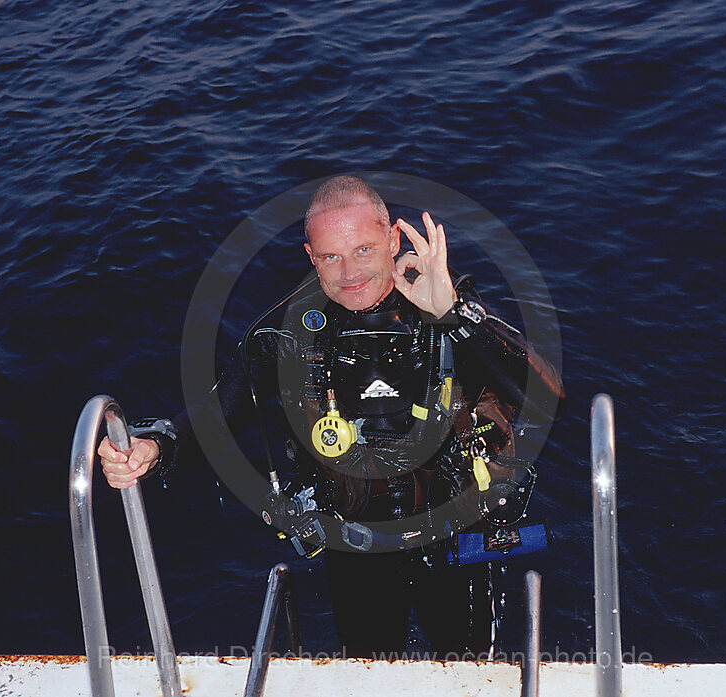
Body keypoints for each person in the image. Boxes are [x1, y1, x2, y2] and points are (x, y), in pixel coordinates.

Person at [99, 175, 565, 658]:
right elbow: (222, 408)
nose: (349, 273)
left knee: (468, 670)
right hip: (356, 545)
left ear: (392, 240)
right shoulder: (287, 335)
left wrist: (453, 312)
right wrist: (157, 446)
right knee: (365, 665)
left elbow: (548, 398)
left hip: (455, 536)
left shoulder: (447, 309)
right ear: (310, 256)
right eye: (330, 257)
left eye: (364, 250)